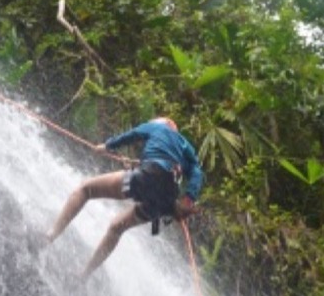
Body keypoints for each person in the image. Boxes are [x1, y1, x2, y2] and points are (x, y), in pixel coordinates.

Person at [45, 117, 204, 280]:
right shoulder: (185, 147)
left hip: (150, 175)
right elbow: (197, 173)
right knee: (117, 228)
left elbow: (133, 134)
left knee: (86, 189)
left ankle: (49, 236)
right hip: (167, 199)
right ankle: (83, 276)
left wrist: (107, 146)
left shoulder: (158, 128)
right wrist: (188, 198)